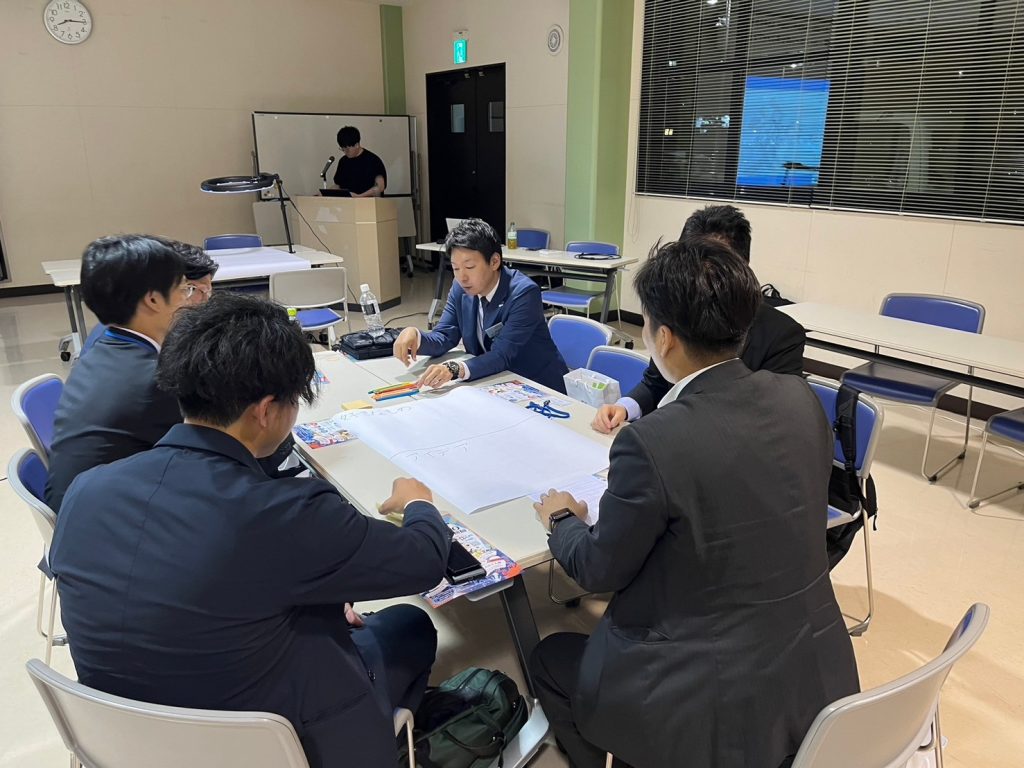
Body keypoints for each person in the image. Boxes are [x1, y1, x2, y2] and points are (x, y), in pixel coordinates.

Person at [48, 294, 452, 768]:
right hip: (267, 744)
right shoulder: (287, 513)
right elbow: (424, 560)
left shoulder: (87, 489)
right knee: (410, 626)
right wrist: (419, 503)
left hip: (123, 740)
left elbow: (184, 580)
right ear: (264, 411)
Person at [531, 238, 859, 768]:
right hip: (813, 676)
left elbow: (597, 569)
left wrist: (562, 518)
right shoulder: (800, 400)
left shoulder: (654, 441)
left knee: (549, 656)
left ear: (663, 337)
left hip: (700, 702)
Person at [592, 204, 806, 433]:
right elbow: (655, 382)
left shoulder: (781, 334)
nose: (697, 274)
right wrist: (625, 408)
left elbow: (772, 417)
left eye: (711, 265)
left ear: (741, 268)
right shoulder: (672, 315)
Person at [45, 235, 191, 513]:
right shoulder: (154, 380)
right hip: (106, 522)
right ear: (153, 299)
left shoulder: (99, 345)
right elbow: (210, 447)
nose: (188, 300)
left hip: (77, 506)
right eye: (184, 289)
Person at [392, 218, 569, 393]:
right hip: (493, 382)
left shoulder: (523, 293)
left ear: (494, 262)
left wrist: (455, 369)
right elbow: (445, 336)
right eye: (455, 268)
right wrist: (415, 336)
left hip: (537, 385)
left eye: (470, 267)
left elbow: (502, 355)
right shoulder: (460, 288)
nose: (462, 277)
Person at [80, 237, 218, 354]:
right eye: (188, 289)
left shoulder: (122, 327)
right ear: (153, 297)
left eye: (209, 291)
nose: (206, 300)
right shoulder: (142, 349)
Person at [334, 125, 387, 197]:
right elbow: (338, 185)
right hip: (348, 202)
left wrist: (359, 196)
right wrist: (324, 193)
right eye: (342, 149)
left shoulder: (373, 161)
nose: (345, 152)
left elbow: (380, 187)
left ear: (357, 145)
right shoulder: (343, 161)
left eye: (347, 149)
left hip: (368, 202)